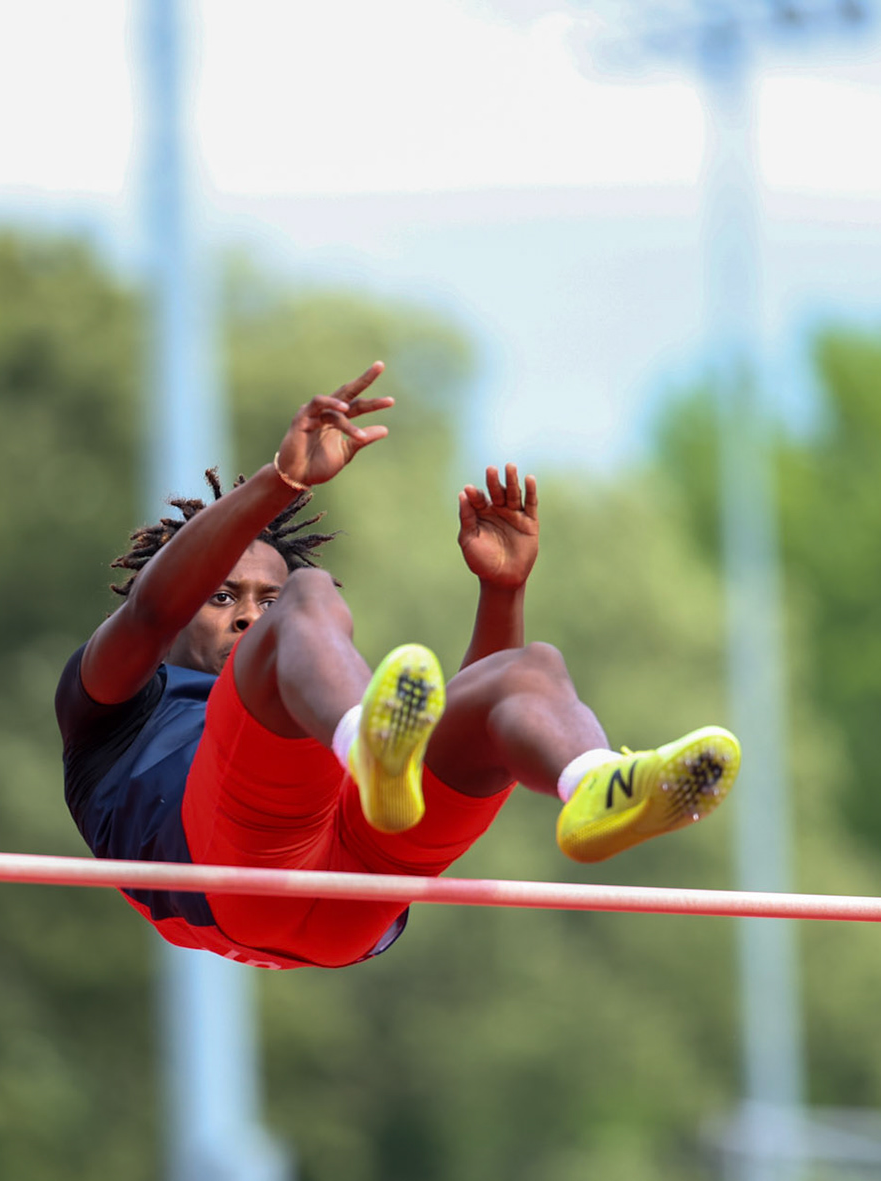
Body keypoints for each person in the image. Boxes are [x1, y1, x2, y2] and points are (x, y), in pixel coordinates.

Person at [55, 362, 739, 969]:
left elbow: (477, 726)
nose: (247, 616)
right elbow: (150, 612)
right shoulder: (113, 704)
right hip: (244, 875)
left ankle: (596, 783)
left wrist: (502, 590)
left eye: (264, 597)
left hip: (361, 890)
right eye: (221, 597)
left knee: (528, 671)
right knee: (312, 594)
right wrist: (282, 479)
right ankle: (372, 749)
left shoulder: (299, 681)